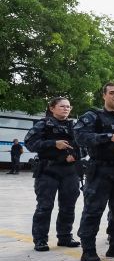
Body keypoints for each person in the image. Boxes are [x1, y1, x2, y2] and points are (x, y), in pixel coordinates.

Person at [75, 82, 114, 261]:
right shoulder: (93, 116)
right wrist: (109, 137)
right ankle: (88, 249)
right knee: (93, 211)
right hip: (100, 169)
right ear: (104, 96)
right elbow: (80, 137)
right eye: (113, 93)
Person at [24, 97, 82, 251]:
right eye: (62, 106)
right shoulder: (43, 124)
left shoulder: (75, 126)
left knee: (68, 206)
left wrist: (75, 155)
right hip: (48, 171)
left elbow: (85, 145)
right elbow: (29, 143)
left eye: (68, 106)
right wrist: (53, 144)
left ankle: (65, 237)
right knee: (44, 206)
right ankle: (40, 239)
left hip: (70, 171)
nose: (66, 109)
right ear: (52, 108)